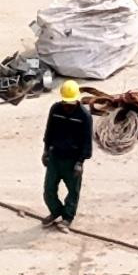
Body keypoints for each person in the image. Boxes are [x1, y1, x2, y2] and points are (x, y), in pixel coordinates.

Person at [42, 78, 95, 227]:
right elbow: (49, 132)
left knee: (73, 191)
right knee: (48, 190)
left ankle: (67, 217)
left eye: (70, 102)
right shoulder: (55, 110)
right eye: (65, 102)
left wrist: (80, 162)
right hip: (55, 157)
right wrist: (46, 151)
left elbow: (86, 142)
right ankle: (56, 211)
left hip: (73, 160)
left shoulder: (84, 116)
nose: (67, 106)